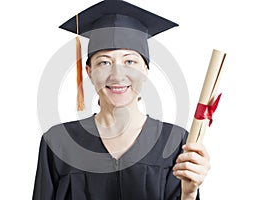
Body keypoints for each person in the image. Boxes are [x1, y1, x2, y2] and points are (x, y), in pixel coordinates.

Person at [33, 0, 210, 199]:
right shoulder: (58, 142)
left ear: (145, 70)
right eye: (104, 62)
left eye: (130, 61)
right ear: (89, 72)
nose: (117, 74)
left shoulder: (174, 142)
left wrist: (189, 192)